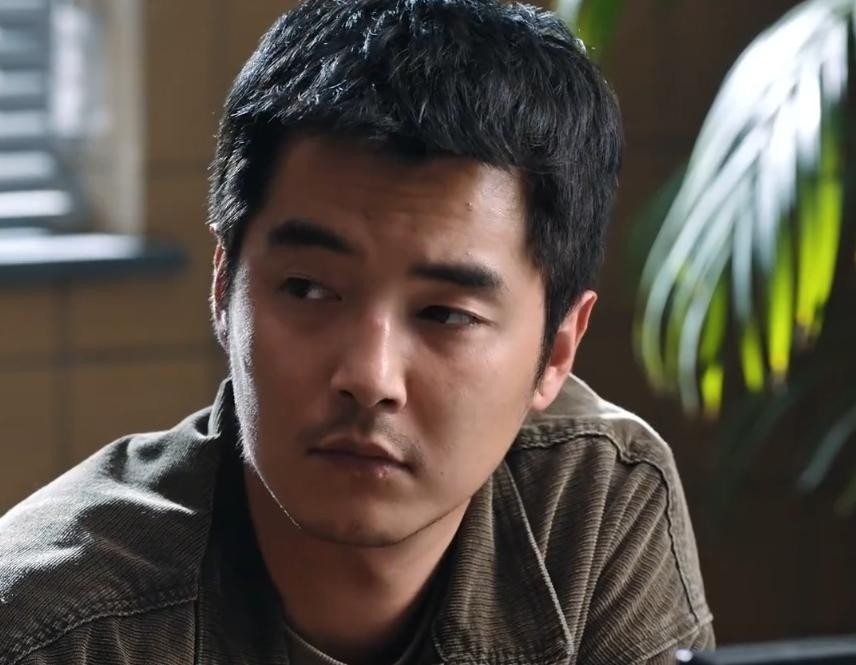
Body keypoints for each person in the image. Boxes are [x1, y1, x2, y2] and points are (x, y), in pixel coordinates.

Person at [0, 0, 714, 663]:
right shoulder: (53, 626)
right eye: (308, 289)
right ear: (224, 287)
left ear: (557, 349)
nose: (370, 377)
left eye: (445, 315)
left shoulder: (592, 503)